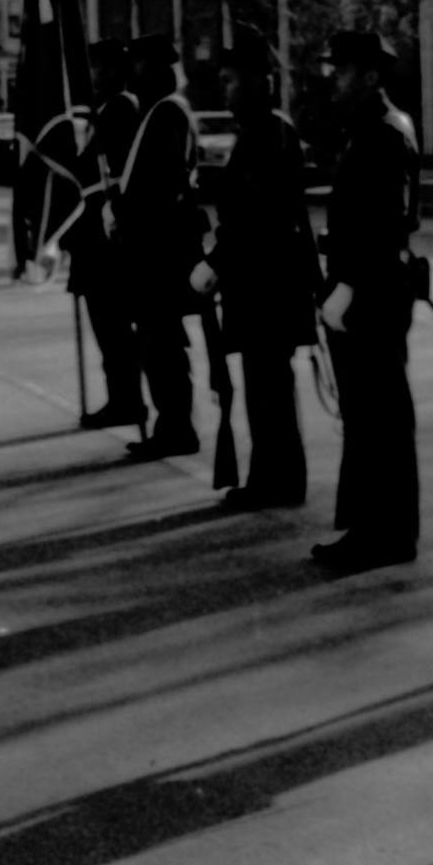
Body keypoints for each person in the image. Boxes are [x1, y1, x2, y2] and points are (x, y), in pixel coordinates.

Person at [191, 27, 317, 511]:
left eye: (231, 80)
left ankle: (278, 481)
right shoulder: (261, 133)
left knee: (270, 391)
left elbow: (255, 219)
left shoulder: (271, 135)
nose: (225, 89)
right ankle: (271, 476)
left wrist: (215, 264)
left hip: (269, 287)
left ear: (259, 81)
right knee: (263, 389)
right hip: (259, 286)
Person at [311, 27, 423, 574]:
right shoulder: (365, 129)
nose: (334, 77)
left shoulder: (384, 133)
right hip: (365, 288)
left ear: (373, 76)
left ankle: (387, 531)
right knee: (365, 415)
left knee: (380, 416)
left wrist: (349, 283)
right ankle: (372, 527)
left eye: (345, 69)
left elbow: (386, 223)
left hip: (374, 292)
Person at [113, 34, 206, 462]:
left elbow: (164, 185)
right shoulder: (157, 112)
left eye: (138, 64)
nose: (132, 73)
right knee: (156, 343)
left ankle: (175, 427)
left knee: (162, 345)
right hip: (153, 249)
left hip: (160, 252)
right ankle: (170, 425)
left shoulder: (167, 112)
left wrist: (131, 216)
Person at [68, 37, 146, 433]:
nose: (93, 76)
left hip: (107, 240)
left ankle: (128, 399)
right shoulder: (104, 111)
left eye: (98, 68)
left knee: (114, 326)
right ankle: (121, 397)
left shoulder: (120, 109)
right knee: (106, 326)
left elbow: (104, 174)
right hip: (94, 238)